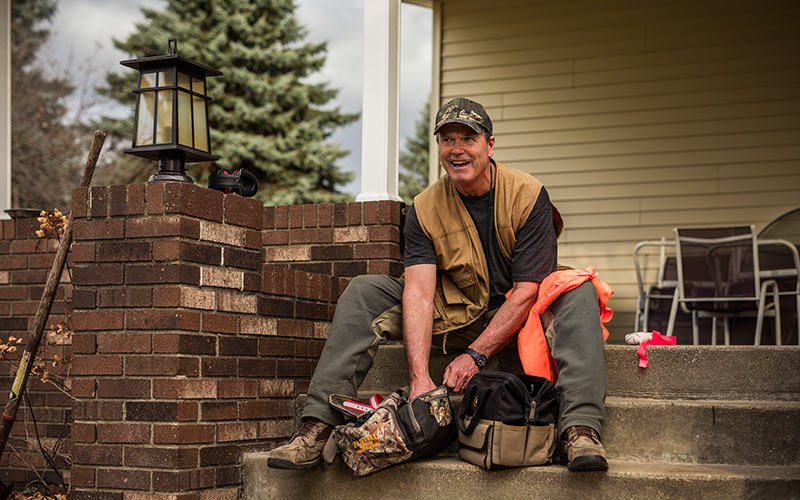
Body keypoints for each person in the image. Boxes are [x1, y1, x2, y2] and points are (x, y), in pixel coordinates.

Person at [267, 97, 608, 472]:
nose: (457, 150)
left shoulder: (528, 195)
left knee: (579, 288)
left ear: (489, 145)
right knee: (364, 290)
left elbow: (527, 291)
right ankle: (315, 427)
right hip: (454, 313)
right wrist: (418, 377)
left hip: (518, 317)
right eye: (447, 140)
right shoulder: (424, 208)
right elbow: (417, 291)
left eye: (468, 138)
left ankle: (580, 430)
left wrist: (475, 356)